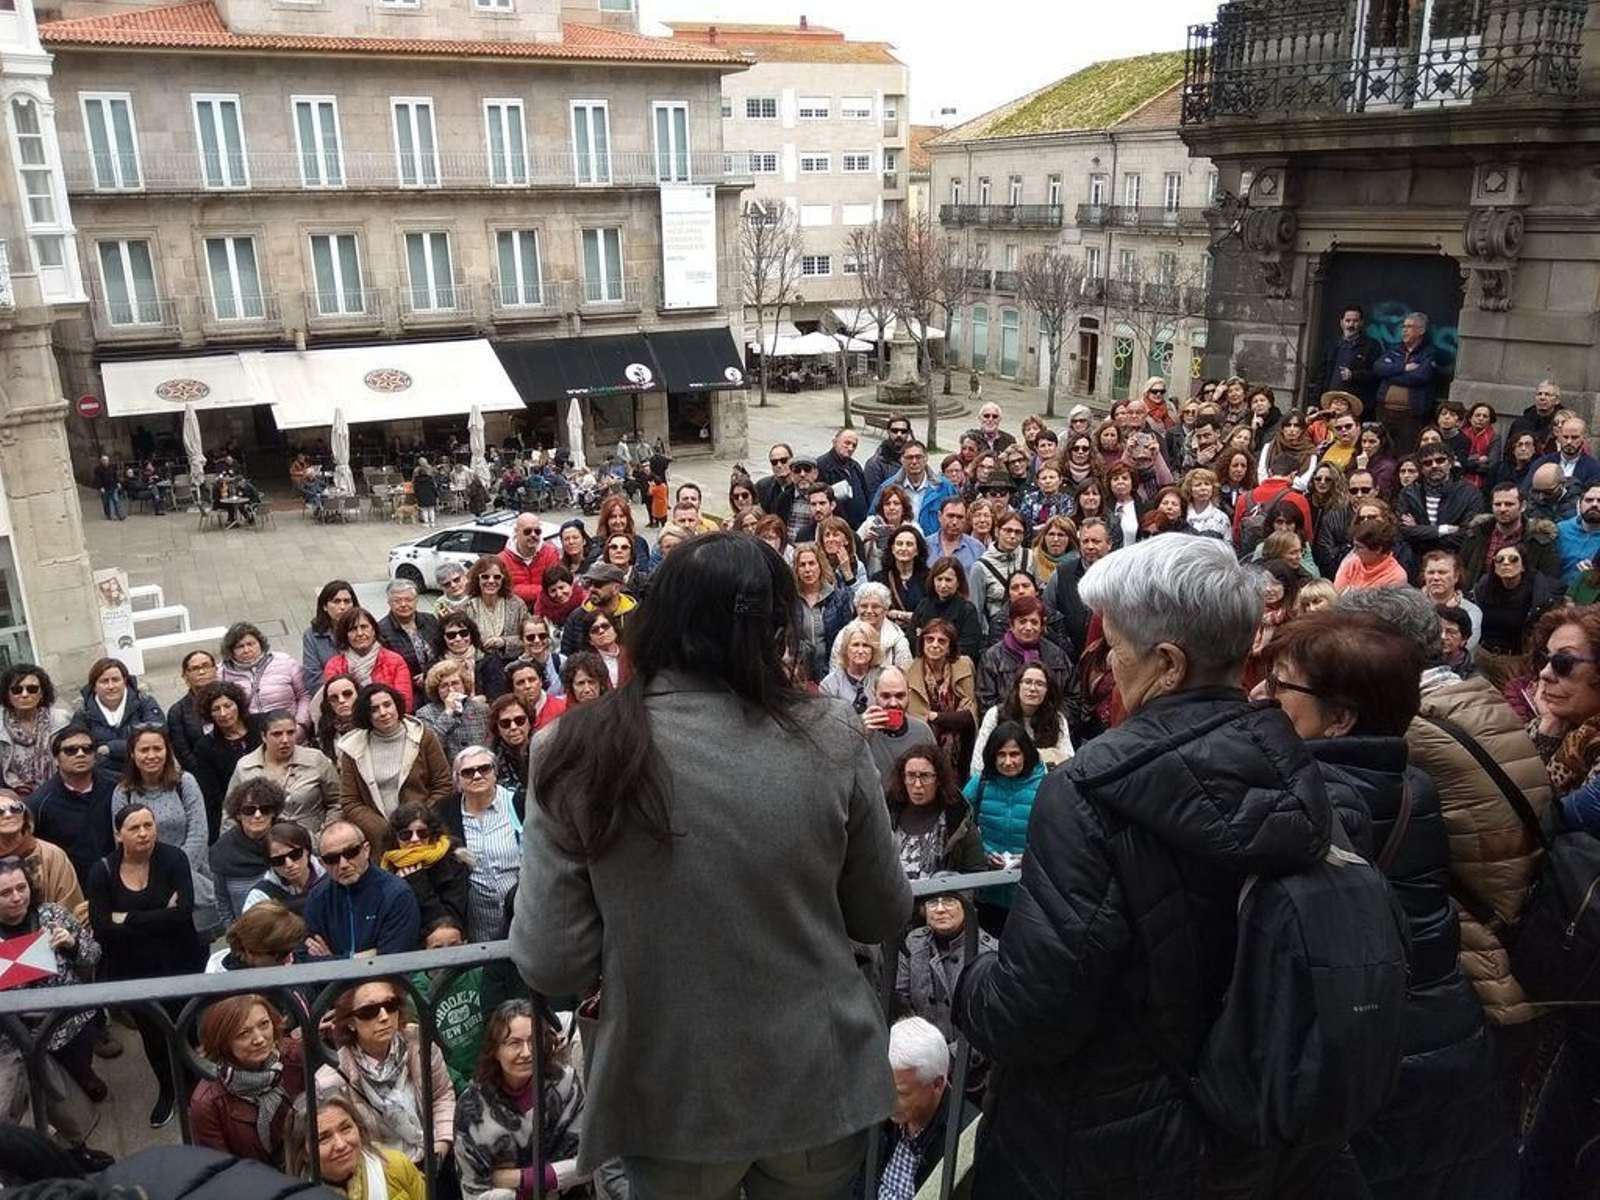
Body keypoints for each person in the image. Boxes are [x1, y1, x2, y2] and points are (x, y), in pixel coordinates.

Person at [953, 535, 1359, 1197]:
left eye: (1114, 650)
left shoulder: (1086, 794)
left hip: (1101, 1142)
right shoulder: (1293, 768)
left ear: (1167, 664)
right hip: (1239, 1124)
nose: (1107, 669)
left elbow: (1036, 1012)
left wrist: (975, 984)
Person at [511, 532, 910, 1192]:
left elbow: (551, 959)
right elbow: (882, 910)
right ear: (773, 628)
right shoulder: (830, 730)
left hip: (669, 1096)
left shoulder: (572, 745)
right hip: (816, 1084)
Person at [1258, 611, 1516, 1198]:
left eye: (1281, 686)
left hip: (1370, 1045)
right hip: (1441, 1022)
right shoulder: (1412, 784)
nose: (1262, 695)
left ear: (1341, 718)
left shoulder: (1312, 803)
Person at [1521, 606, 1600, 1192]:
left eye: (1565, 662)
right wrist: (1546, 730)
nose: (1546, 674)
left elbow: (1548, 820)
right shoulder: (1568, 733)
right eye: (1544, 660)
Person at [85, 803, 205, 1128]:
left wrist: (128, 917)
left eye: (148, 825)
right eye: (134, 828)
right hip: (133, 970)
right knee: (153, 1035)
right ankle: (168, 1090)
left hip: (180, 962)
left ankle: (196, 1086)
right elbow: (101, 925)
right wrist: (158, 915)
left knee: (187, 1026)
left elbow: (183, 913)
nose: (143, 834)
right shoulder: (103, 871)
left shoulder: (173, 859)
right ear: (118, 834)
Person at [0, 856, 110, 1172]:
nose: (16, 897)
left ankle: (76, 1149)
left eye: (21, 888)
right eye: (5, 892)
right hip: (17, 1039)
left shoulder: (52, 915)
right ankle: (46, 1157)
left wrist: (73, 945)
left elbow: (94, 954)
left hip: (70, 1028)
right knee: (41, 1099)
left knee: (71, 1093)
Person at [315, 977, 456, 1168]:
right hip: (383, 1173)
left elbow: (442, 1095)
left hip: (434, 1157)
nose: (383, 1017)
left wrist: (441, 1145)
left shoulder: (418, 1041)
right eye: (368, 1011)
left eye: (390, 1005)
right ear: (350, 1022)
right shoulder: (331, 1078)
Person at [452, 999, 586, 1200]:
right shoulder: (472, 1106)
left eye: (533, 1041)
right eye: (514, 1043)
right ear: (495, 1050)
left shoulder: (566, 1084)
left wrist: (519, 1178)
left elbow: (586, 1164)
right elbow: (474, 1191)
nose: (526, 1053)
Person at [189, 994, 306, 1168]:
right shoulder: (208, 1103)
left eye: (264, 1024)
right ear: (223, 1040)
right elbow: (220, 1171)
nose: (259, 1039)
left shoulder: (293, 1055)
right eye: (244, 1033)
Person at [869, 1017, 980, 1200]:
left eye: (901, 1093)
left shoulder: (963, 1139)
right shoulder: (884, 1113)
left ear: (937, 1085)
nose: (887, 1099)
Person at [334, 684, 452, 850]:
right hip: (379, 841)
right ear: (366, 715)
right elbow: (350, 801)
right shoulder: (352, 748)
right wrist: (385, 831)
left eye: (387, 705)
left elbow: (443, 784)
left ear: (397, 705)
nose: (383, 713)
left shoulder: (424, 736)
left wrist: (419, 822)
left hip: (423, 836)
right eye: (374, 709)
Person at [111, 724, 210, 904]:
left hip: (191, 873)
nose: (151, 755)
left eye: (157, 748)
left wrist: (176, 874)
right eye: (144, 750)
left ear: (167, 751)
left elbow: (199, 833)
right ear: (133, 754)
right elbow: (123, 840)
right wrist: (155, 880)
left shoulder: (185, 783)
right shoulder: (123, 792)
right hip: (144, 881)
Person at [437, 747, 523, 942]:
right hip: (475, 924)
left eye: (484, 768)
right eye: (467, 772)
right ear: (457, 780)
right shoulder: (444, 812)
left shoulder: (520, 803)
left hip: (524, 917)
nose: (477, 776)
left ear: (495, 772)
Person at [302, 821, 421, 957]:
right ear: (323, 863)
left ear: (366, 850)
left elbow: (393, 958)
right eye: (332, 859)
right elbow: (305, 957)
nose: (343, 864)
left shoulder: (397, 894)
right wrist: (357, 958)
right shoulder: (317, 897)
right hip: (330, 978)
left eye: (351, 852)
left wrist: (332, 960)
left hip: (385, 977)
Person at [285, 1091, 427, 1200]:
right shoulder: (297, 1196)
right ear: (303, 1153)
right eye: (323, 1138)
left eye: (346, 1128)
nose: (340, 1145)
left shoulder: (396, 1166)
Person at [894, 901, 997, 1047]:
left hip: (970, 1060)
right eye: (933, 903)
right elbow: (900, 1001)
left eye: (949, 901)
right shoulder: (913, 943)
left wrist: (952, 1058)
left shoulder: (988, 953)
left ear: (966, 907)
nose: (940, 909)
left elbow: (990, 1024)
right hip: (921, 1054)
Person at [26, 723, 115, 886]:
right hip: (69, 888)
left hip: (116, 883)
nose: (80, 754)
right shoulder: (39, 803)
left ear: (95, 756)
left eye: (87, 749)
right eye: (70, 750)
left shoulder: (115, 789)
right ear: (55, 760)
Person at [228, 710, 340, 838]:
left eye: (291, 733)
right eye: (277, 734)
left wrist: (325, 836)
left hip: (313, 841)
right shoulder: (245, 767)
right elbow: (230, 814)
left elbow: (337, 802)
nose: (285, 740)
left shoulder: (316, 759)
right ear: (264, 737)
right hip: (263, 845)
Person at [884, 743, 983, 880]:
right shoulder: (886, 814)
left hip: (941, 899)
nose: (917, 785)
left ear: (938, 780)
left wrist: (952, 886)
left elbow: (976, 872)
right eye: (911, 776)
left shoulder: (957, 820)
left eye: (925, 776)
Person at [1471, 543, 1561, 685]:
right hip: (1482, 655)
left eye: (1513, 559)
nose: (1506, 563)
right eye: (1500, 559)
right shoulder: (1482, 589)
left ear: (1523, 566)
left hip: (1515, 661)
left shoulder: (1538, 595)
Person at [381, 801, 470, 930]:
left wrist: (418, 884)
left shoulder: (453, 862)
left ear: (432, 834)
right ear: (396, 839)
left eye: (422, 833)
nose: (415, 839)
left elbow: (452, 919)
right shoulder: (387, 866)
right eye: (406, 835)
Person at [975, 595, 1072, 714]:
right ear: (1011, 625)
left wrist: (1049, 720)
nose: (1028, 627)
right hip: (1007, 728)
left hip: (1050, 727)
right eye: (1022, 622)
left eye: (1034, 622)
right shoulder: (992, 658)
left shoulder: (1057, 656)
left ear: (1042, 626)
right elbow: (986, 702)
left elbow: (1073, 698)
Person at [190, 681, 263, 839]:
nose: (223, 713)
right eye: (216, 709)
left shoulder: (262, 725)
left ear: (238, 705)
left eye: (228, 705)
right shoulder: (205, 747)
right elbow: (213, 795)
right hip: (236, 813)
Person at [973, 663, 1073, 776]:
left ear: (1047, 690)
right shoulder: (995, 715)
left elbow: (1068, 760)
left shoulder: (1057, 719)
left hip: (1042, 782)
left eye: (1040, 684)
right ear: (1018, 685)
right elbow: (978, 763)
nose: (1032, 689)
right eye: (1028, 682)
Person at [905, 618, 978, 772]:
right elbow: (921, 723)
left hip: (964, 748)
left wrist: (935, 716)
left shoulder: (964, 666)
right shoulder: (910, 674)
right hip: (927, 752)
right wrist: (953, 717)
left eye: (942, 641)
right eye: (930, 639)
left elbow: (969, 719)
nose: (935, 645)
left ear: (950, 647)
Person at [1457, 482, 1561, 589]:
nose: (1502, 509)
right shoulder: (1475, 535)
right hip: (1478, 599)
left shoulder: (1540, 542)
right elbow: (1461, 572)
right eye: (1498, 504)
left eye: (1509, 504)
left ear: (1523, 506)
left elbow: (1551, 582)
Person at [208, 777, 284, 924]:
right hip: (247, 935)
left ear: (274, 812)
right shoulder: (222, 851)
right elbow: (222, 902)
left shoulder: (291, 840)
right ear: (238, 814)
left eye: (265, 809)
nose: (257, 815)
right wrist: (235, 935)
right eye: (249, 810)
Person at [1396, 444, 1486, 566]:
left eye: (1440, 460)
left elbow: (1467, 534)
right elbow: (1404, 531)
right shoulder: (1409, 493)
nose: (1434, 465)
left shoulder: (1470, 493)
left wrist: (1420, 533)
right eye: (1427, 463)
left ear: (1450, 462)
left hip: (1455, 560)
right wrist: (1445, 529)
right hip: (1417, 561)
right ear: (1421, 468)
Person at [78, 657, 164, 776]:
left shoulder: (144, 702)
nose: (111, 686)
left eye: (115, 680)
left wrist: (110, 748)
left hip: (145, 773)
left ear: (125, 681)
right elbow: (81, 750)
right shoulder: (83, 713)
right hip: (103, 778)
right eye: (104, 681)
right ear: (94, 686)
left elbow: (158, 737)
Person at [219, 623, 310, 732]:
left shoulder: (284, 662)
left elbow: (304, 695)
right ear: (231, 650)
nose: (247, 650)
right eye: (240, 647)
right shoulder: (222, 674)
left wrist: (301, 725)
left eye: (251, 644)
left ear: (260, 644)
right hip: (251, 739)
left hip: (290, 733)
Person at [324, 608, 414, 714]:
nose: (360, 633)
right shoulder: (334, 666)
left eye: (364, 627)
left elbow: (404, 704)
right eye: (353, 629)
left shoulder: (395, 661)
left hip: (389, 721)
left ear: (373, 630)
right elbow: (335, 705)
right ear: (345, 635)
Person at [0, 664, 71, 798]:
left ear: (42, 693)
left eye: (32, 689)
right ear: (7, 694)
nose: (25, 694)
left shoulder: (61, 721)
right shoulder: (0, 726)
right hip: (11, 801)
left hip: (58, 794)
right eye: (17, 690)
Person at [1373, 310, 1440, 451]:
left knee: (1405, 453)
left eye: (1409, 327)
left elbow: (1419, 376)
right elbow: (1378, 368)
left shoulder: (1429, 353)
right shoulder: (1394, 349)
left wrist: (1390, 375)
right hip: (1384, 412)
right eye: (1403, 327)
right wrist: (1403, 368)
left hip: (1410, 416)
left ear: (1421, 330)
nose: (1404, 330)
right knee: (1381, 450)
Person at [791, 543, 856, 686]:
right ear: (796, 569)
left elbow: (846, 637)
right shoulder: (790, 600)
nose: (807, 569)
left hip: (832, 671)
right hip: (800, 674)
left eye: (812, 563)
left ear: (820, 565)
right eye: (802, 565)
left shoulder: (839, 597)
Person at [862, 666, 936, 789]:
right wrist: (859, 736)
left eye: (900, 696)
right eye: (885, 696)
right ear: (874, 694)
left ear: (909, 695)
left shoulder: (922, 731)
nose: (893, 703)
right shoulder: (860, 729)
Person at [415, 659, 493, 761]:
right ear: (436, 690)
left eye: (455, 683)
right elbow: (430, 747)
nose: (451, 689)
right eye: (444, 686)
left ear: (464, 685)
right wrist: (448, 714)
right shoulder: (425, 714)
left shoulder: (482, 709)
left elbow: (491, 745)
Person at [243, 822, 324, 915]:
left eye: (295, 854)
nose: (289, 864)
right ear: (270, 863)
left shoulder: (332, 878)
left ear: (307, 850)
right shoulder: (260, 897)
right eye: (278, 860)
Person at [377, 581, 441, 697]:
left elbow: (442, 651)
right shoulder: (381, 630)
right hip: (407, 689)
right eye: (397, 601)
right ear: (389, 603)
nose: (403, 604)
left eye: (408, 599)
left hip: (438, 680)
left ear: (416, 600)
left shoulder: (430, 620)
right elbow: (388, 668)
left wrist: (429, 674)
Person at [461, 557, 530, 663]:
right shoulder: (466, 607)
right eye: (485, 577)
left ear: (503, 579)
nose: (491, 581)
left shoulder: (517, 604)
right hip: (478, 665)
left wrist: (504, 642)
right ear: (477, 579)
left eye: (497, 577)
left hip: (513, 663)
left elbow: (529, 637)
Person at [434, 613, 508, 703]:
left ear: (471, 634)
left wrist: (484, 699)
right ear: (443, 638)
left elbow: (499, 696)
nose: (458, 638)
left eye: (464, 633)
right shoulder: (435, 665)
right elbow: (432, 699)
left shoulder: (489, 660)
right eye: (451, 635)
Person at [1318, 304, 1381, 406]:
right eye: (1348, 321)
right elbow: (1322, 375)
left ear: (1361, 323)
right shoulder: (1332, 345)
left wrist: (1354, 375)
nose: (1351, 325)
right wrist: (1314, 402)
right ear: (1341, 322)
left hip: (1357, 405)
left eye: (1355, 321)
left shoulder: (1371, 345)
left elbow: (1377, 374)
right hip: (1331, 403)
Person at [1333, 511, 1410, 592]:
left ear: (1377, 549)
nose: (1354, 551)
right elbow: (1335, 597)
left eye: (1359, 547)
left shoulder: (1396, 577)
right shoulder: (1352, 563)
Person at [303, 580, 357, 691]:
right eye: (336, 601)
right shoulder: (312, 635)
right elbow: (313, 676)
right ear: (325, 606)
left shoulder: (364, 629)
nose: (342, 607)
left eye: (347, 601)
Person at [499, 514, 559, 611]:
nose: (533, 535)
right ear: (516, 532)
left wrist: (519, 590)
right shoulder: (502, 560)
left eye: (537, 531)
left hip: (546, 611)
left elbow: (555, 587)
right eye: (527, 531)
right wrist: (542, 591)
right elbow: (505, 591)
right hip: (515, 614)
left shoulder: (550, 553)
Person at [1530, 414, 1600, 487]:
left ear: (1583, 437)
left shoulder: (1594, 468)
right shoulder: (1542, 463)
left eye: (1574, 437)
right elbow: (1526, 491)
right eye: (1565, 437)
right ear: (1559, 436)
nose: (1569, 442)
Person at [1556, 480, 1600, 585]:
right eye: (1589, 500)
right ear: (1579, 505)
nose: (1594, 504)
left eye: (1599, 501)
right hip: (1556, 593)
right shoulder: (1560, 530)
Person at [316, 673, 361, 761]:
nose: (341, 700)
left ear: (358, 694)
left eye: (347, 694)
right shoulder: (326, 729)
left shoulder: (372, 724)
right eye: (334, 698)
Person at [864, 418, 913, 498]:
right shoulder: (874, 464)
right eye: (895, 430)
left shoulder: (914, 460)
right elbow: (874, 499)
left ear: (908, 433)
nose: (899, 434)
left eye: (903, 431)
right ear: (888, 431)